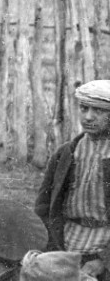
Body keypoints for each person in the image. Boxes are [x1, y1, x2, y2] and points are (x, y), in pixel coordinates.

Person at [34, 78, 110, 268]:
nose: (88, 117)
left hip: (103, 246)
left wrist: (104, 260)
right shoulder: (66, 153)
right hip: (67, 243)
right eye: (84, 109)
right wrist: (47, 247)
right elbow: (44, 206)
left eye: (98, 110)